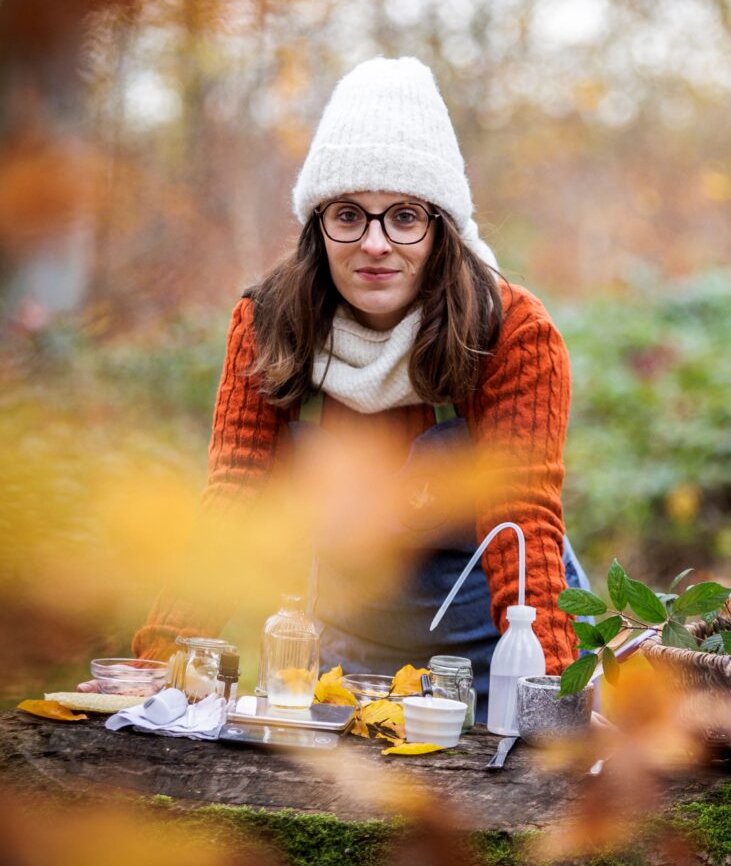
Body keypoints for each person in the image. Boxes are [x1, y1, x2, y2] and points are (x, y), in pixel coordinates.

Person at [126, 56, 588, 709]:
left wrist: (547, 687)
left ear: (441, 228)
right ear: (317, 224)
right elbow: (235, 498)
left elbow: (523, 518)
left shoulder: (510, 332)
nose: (375, 243)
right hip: (348, 648)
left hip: (499, 646)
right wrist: (165, 656)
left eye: (403, 216)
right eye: (349, 214)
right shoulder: (268, 328)